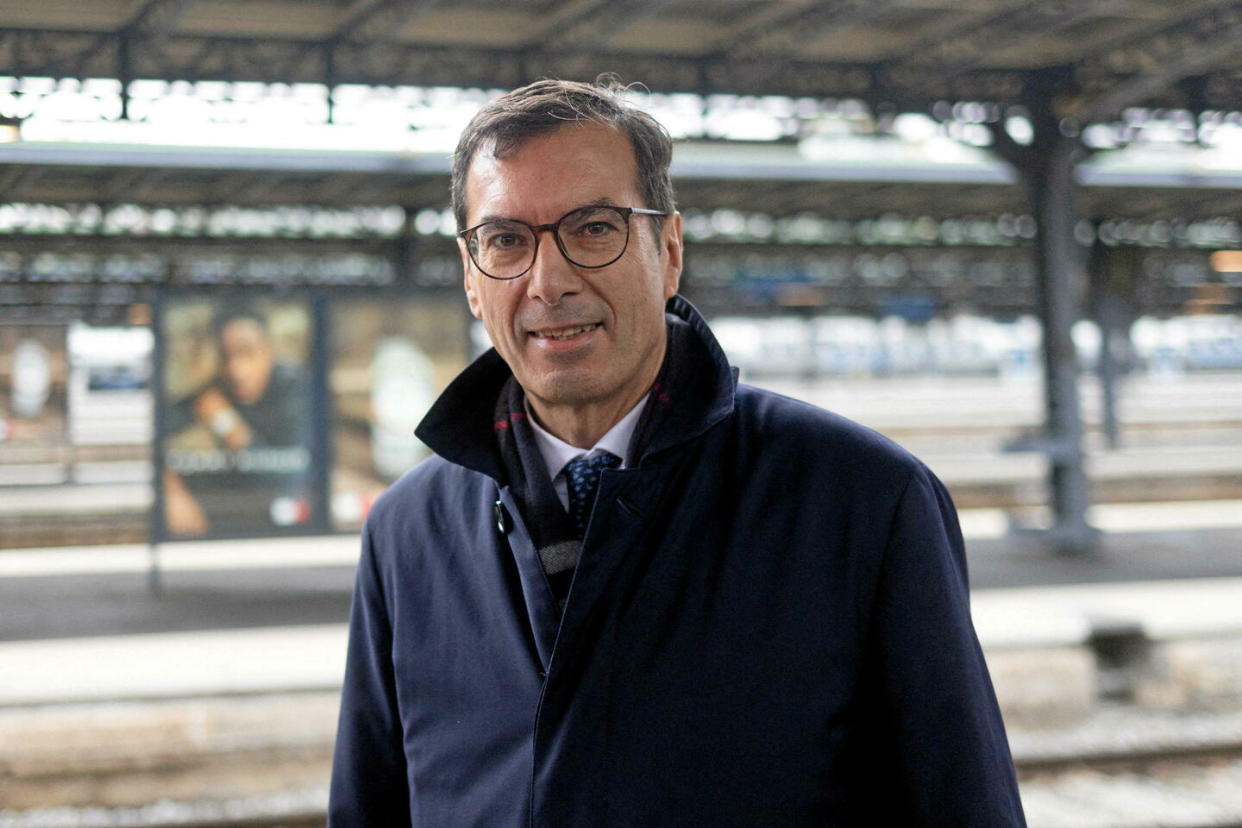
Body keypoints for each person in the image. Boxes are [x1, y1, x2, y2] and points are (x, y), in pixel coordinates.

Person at [330, 78, 1026, 827]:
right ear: (472, 278)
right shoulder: (407, 531)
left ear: (668, 251)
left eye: (593, 228)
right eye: (505, 241)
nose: (548, 280)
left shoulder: (862, 501)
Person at [163, 306, 312, 537]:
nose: (237, 370)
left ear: (268, 350)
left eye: (248, 353)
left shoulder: (297, 392)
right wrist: (172, 490)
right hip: (232, 513)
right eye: (226, 356)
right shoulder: (219, 388)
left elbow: (287, 487)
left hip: (284, 526)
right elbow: (156, 429)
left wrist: (227, 424)